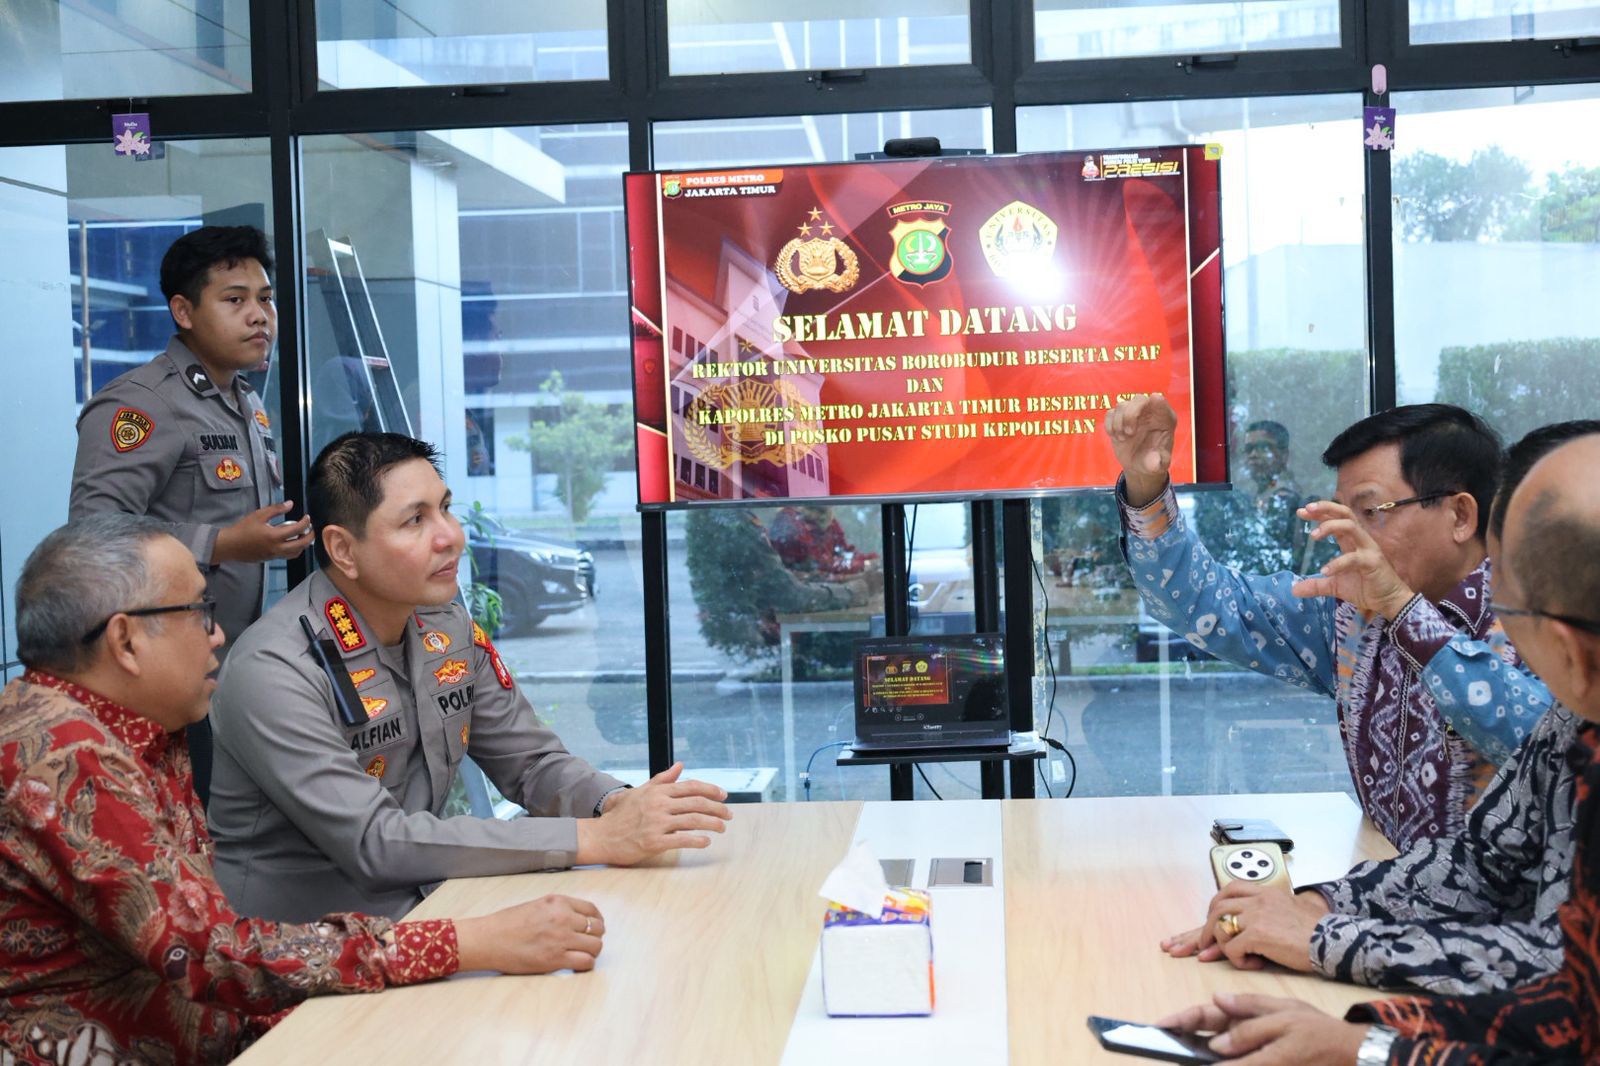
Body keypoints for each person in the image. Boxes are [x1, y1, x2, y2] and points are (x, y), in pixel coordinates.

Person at [0, 514, 607, 1065]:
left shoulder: (137, 726)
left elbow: (530, 757)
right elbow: (211, 953)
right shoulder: (65, 755)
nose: (215, 635)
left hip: (228, 1020)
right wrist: (469, 940)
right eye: (197, 611)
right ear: (126, 640)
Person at [1157, 429, 1600, 1064]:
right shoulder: (1570, 710)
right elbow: (1478, 862)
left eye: (1371, 512)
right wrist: (1314, 905)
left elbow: (1560, 975)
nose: (1348, 537)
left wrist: (1348, 1007)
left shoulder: (1547, 652)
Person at [207, 432, 733, 922]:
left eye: (446, 508)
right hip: (297, 962)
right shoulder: (275, 669)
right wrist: (597, 839)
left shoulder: (445, 624)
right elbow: (376, 842)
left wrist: (615, 804)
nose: (451, 537)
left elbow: (529, 762)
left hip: (428, 913)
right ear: (344, 549)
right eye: (415, 520)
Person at [1107, 397, 1550, 849]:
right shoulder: (1352, 618)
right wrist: (1147, 485)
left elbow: (1549, 751)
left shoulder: (1544, 617)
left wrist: (1403, 610)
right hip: (1384, 896)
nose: (1345, 535)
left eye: (1371, 511)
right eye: (1340, 512)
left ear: (1460, 515)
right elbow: (1204, 603)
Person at [69, 225, 313, 806]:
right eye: (235, 300)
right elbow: (90, 532)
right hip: (152, 675)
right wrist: (224, 542)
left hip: (219, 668)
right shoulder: (142, 404)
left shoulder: (244, 402)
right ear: (183, 310)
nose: (259, 316)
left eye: (265, 298)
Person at [1194, 419, 1313, 575]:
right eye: (1249, 449)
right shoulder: (1249, 499)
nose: (1254, 455)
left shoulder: (1287, 500)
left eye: (1264, 447)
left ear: (1284, 455)